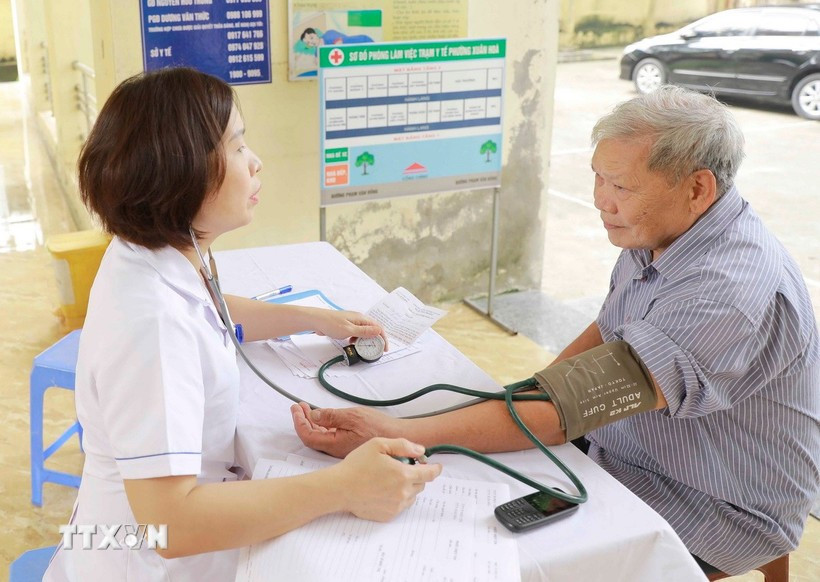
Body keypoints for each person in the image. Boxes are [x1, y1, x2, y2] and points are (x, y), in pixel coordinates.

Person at [292, 86, 820, 576]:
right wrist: (522, 395)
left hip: (710, 500)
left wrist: (400, 433)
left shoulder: (725, 288)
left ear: (698, 188)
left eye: (621, 186)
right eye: (598, 177)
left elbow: (570, 407)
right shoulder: (665, 226)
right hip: (629, 446)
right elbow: (607, 330)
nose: (601, 200)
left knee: (489, 548)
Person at [45, 67, 441, 581]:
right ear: (181, 172)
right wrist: (345, 487)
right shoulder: (153, 326)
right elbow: (170, 526)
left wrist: (311, 319)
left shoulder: (155, 254)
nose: (256, 162)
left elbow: (207, 309)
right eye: (236, 147)